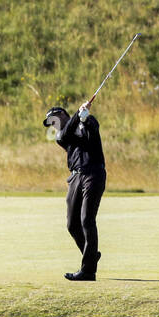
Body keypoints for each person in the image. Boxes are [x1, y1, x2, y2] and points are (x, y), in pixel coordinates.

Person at [43, 101, 105, 281]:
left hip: (93, 173)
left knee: (87, 219)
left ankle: (88, 271)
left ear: (62, 115)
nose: (52, 126)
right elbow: (67, 135)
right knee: (72, 224)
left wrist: (85, 119)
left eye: (53, 120)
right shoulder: (62, 135)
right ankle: (91, 254)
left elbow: (93, 130)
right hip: (75, 177)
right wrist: (78, 115)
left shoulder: (86, 121)